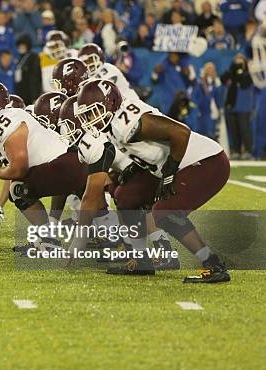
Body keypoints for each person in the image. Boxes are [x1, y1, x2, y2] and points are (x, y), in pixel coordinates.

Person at [70, 79, 230, 283]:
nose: (91, 119)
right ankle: (141, 261)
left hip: (206, 162)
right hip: (171, 165)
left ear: (110, 104)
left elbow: (181, 133)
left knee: (165, 213)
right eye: (86, 115)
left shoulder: (127, 122)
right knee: (126, 196)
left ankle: (213, 265)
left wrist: (170, 173)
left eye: (94, 112)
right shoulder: (112, 125)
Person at [0, 80, 87, 251]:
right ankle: (50, 239)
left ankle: (49, 239)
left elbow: (19, 169)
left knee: (18, 188)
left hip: (69, 165)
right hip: (62, 167)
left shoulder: (6, 120)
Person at [221, 54, 255, 160]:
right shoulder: (230, 74)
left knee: (244, 129)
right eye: (237, 62)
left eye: (241, 62)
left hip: (244, 107)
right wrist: (232, 69)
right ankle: (236, 150)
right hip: (231, 106)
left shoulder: (248, 75)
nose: (239, 64)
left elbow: (244, 84)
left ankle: (248, 151)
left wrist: (238, 72)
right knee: (234, 130)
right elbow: (223, 79)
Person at [14, 34, 42, 105]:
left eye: (23, 45)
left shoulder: (34, 57)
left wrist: (35, 96)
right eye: (20, 45)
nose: (21, 47)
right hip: (20, 93)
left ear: (28, 46)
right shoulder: (18, 58)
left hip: (30, 94)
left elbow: (36, 77)